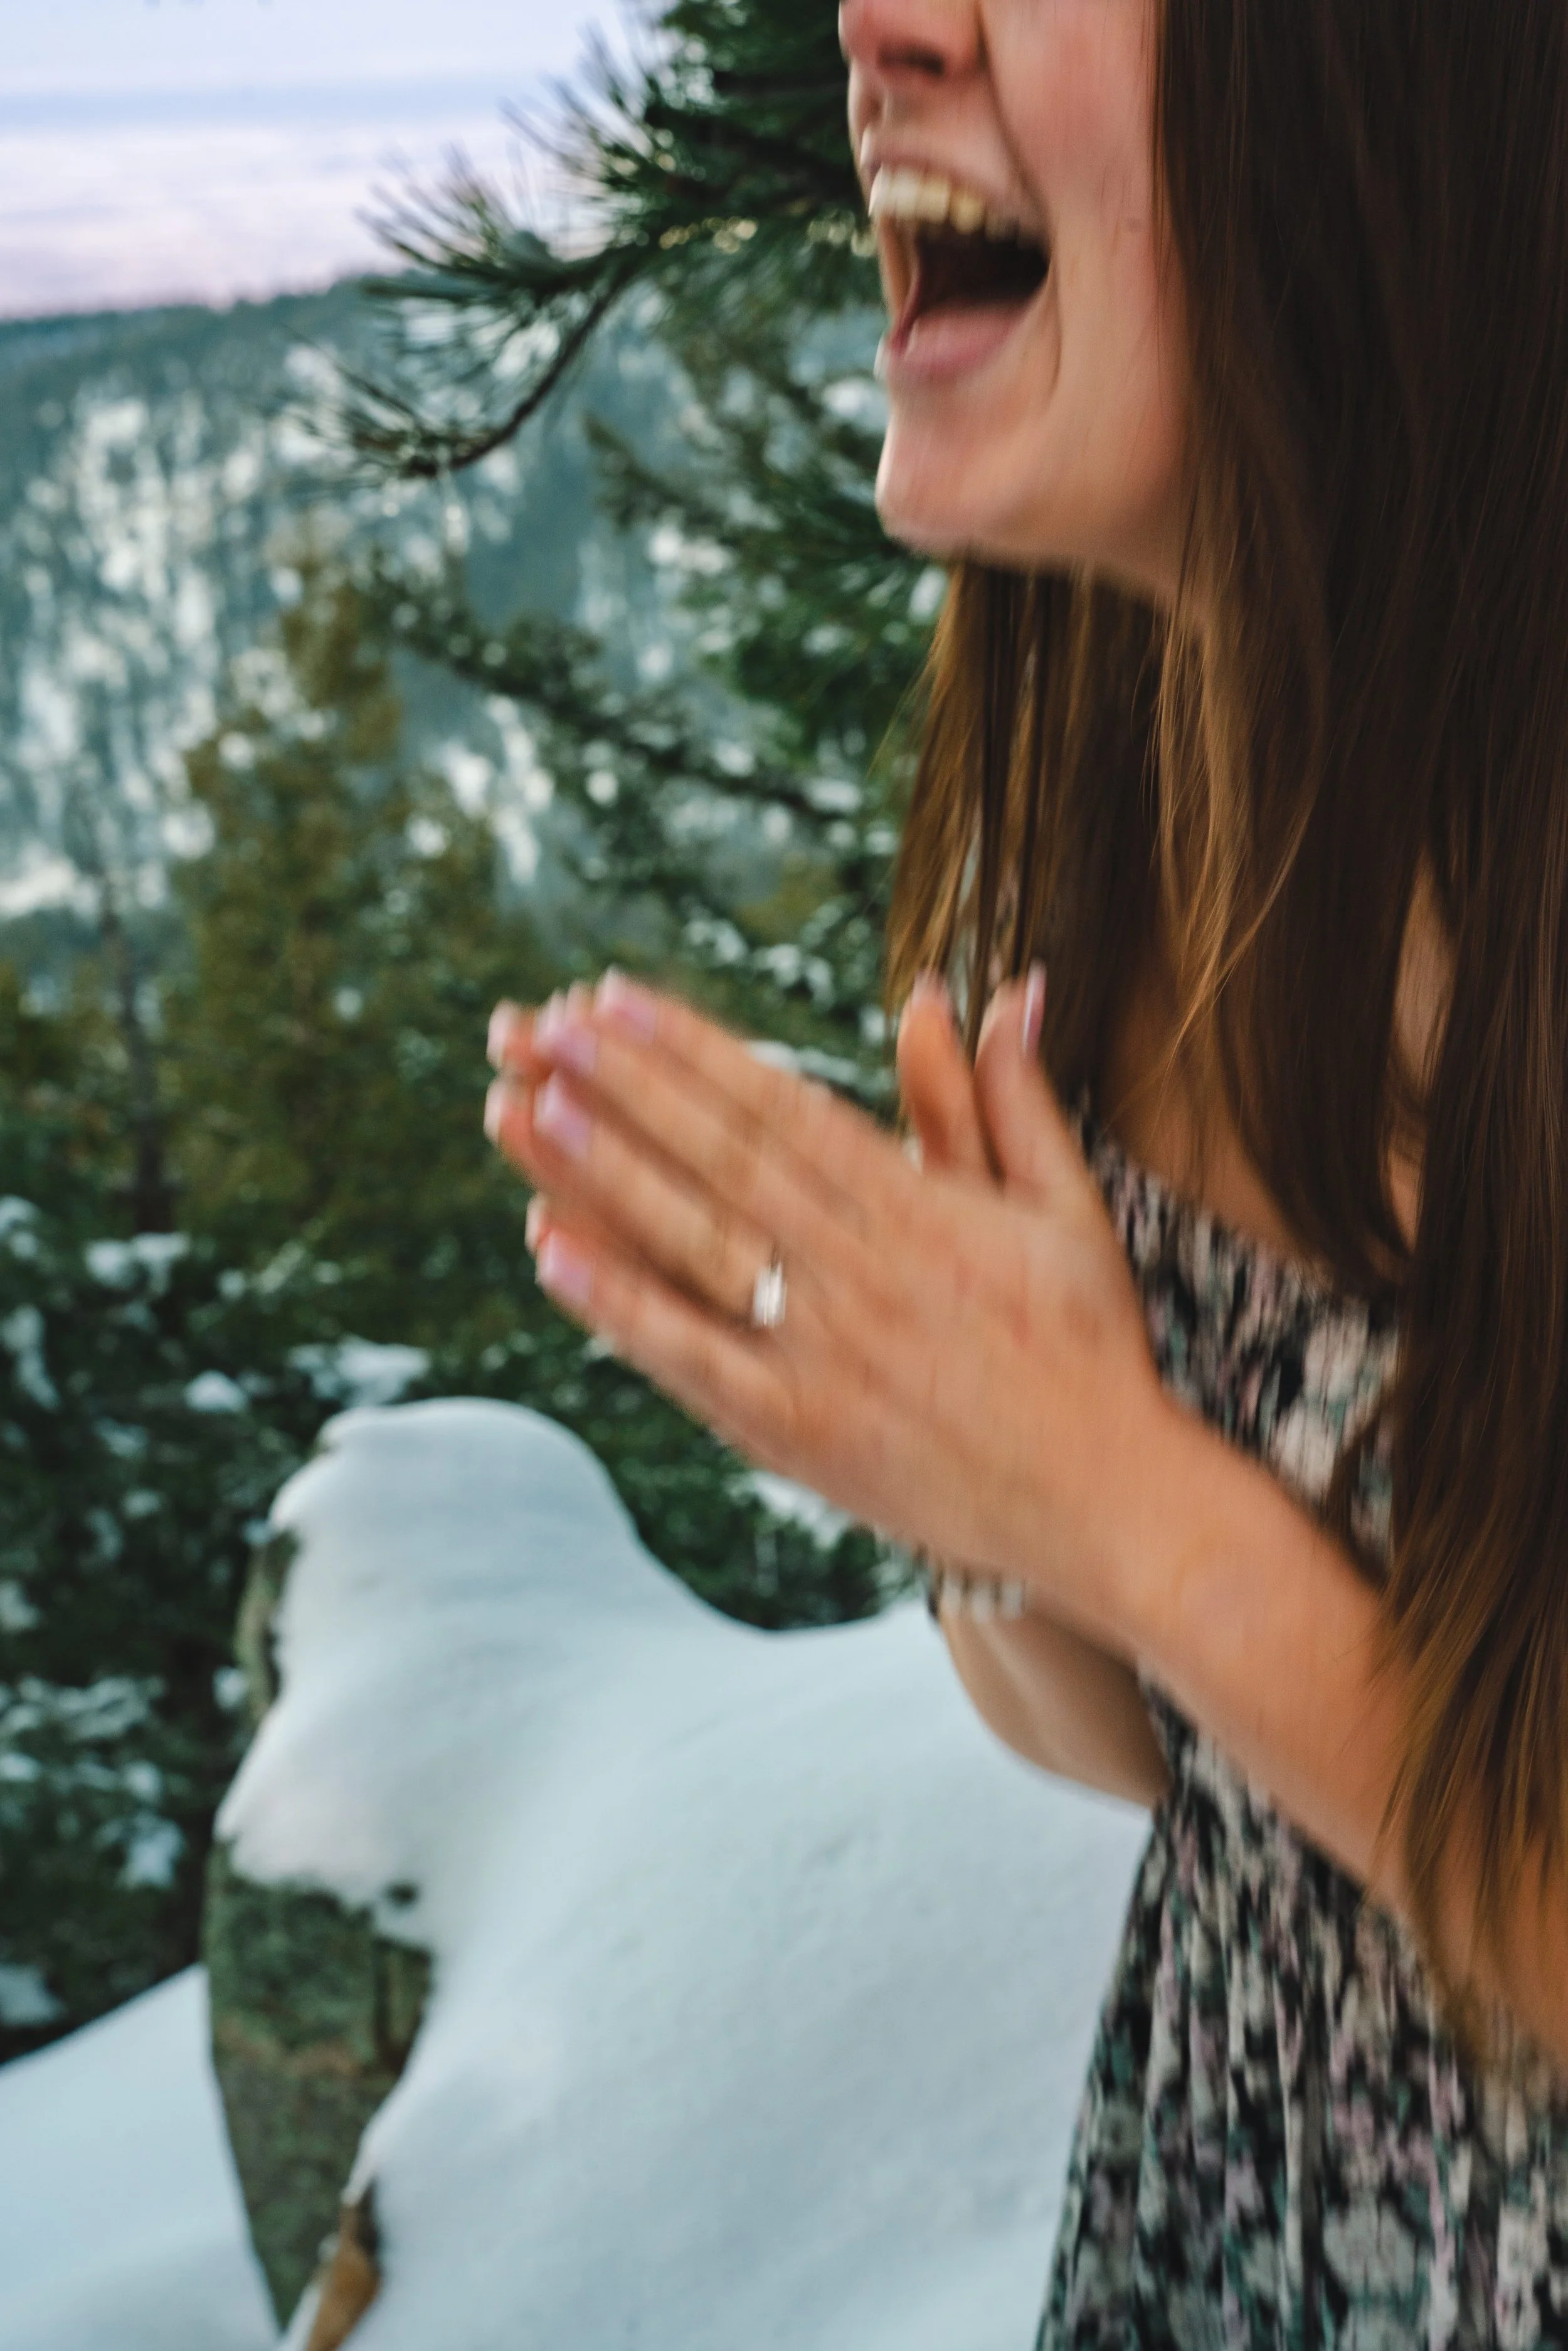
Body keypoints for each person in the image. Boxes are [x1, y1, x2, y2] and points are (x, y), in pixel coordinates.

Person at [483, 0, 1568, 2338]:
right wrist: (971, 1462)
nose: (880, 23)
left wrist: (1118, 1498)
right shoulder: (1140, 789)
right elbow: (1165, 1761)